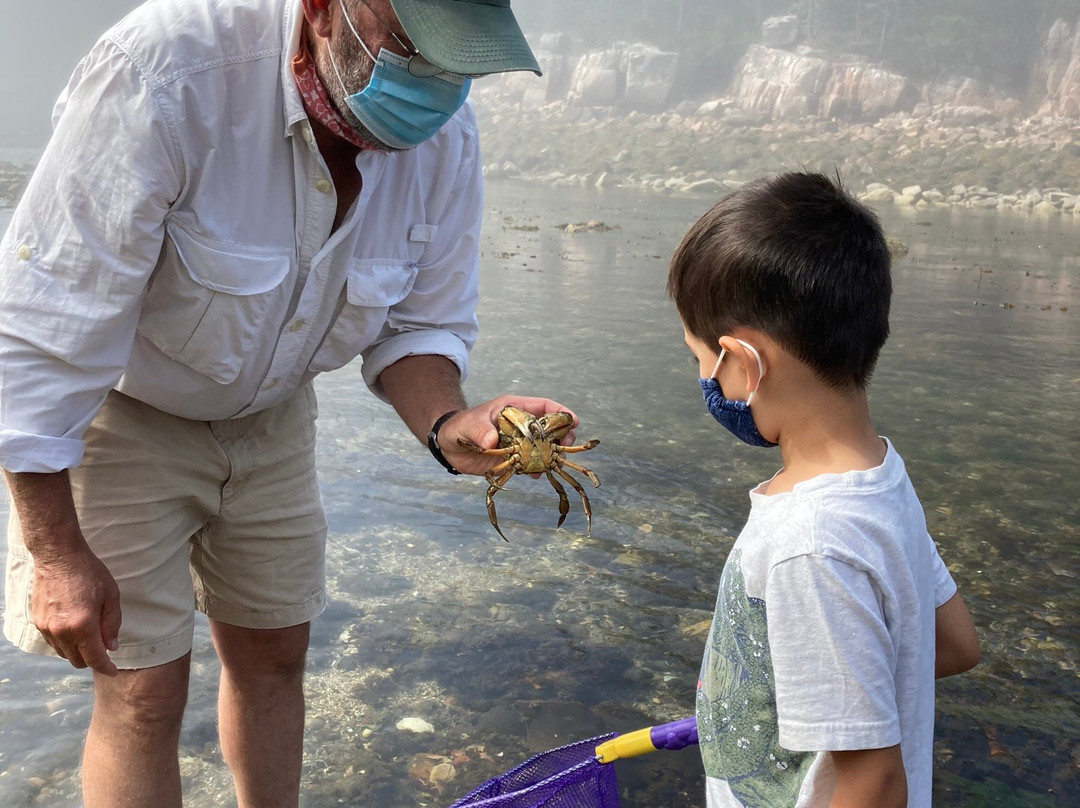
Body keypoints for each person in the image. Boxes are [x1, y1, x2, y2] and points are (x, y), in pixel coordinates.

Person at [0, 0, 570, 805]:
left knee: (275, 659)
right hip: (122, 410)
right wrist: (56, 553)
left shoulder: (444, 138)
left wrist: (452, 424)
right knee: (142, 693)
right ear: (321, 11)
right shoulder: (166, 72)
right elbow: (43, 323)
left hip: (273, 415)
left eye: (460, 63)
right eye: (412, 50)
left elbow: (420, 323)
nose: (436, 88)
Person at [666, 172, 980, 808]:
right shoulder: (881, 477)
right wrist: (806, 702)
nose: (702, 379)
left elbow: (874, 783)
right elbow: (951, 644)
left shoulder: (805, 544)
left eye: (701, 360)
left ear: (744, 364)